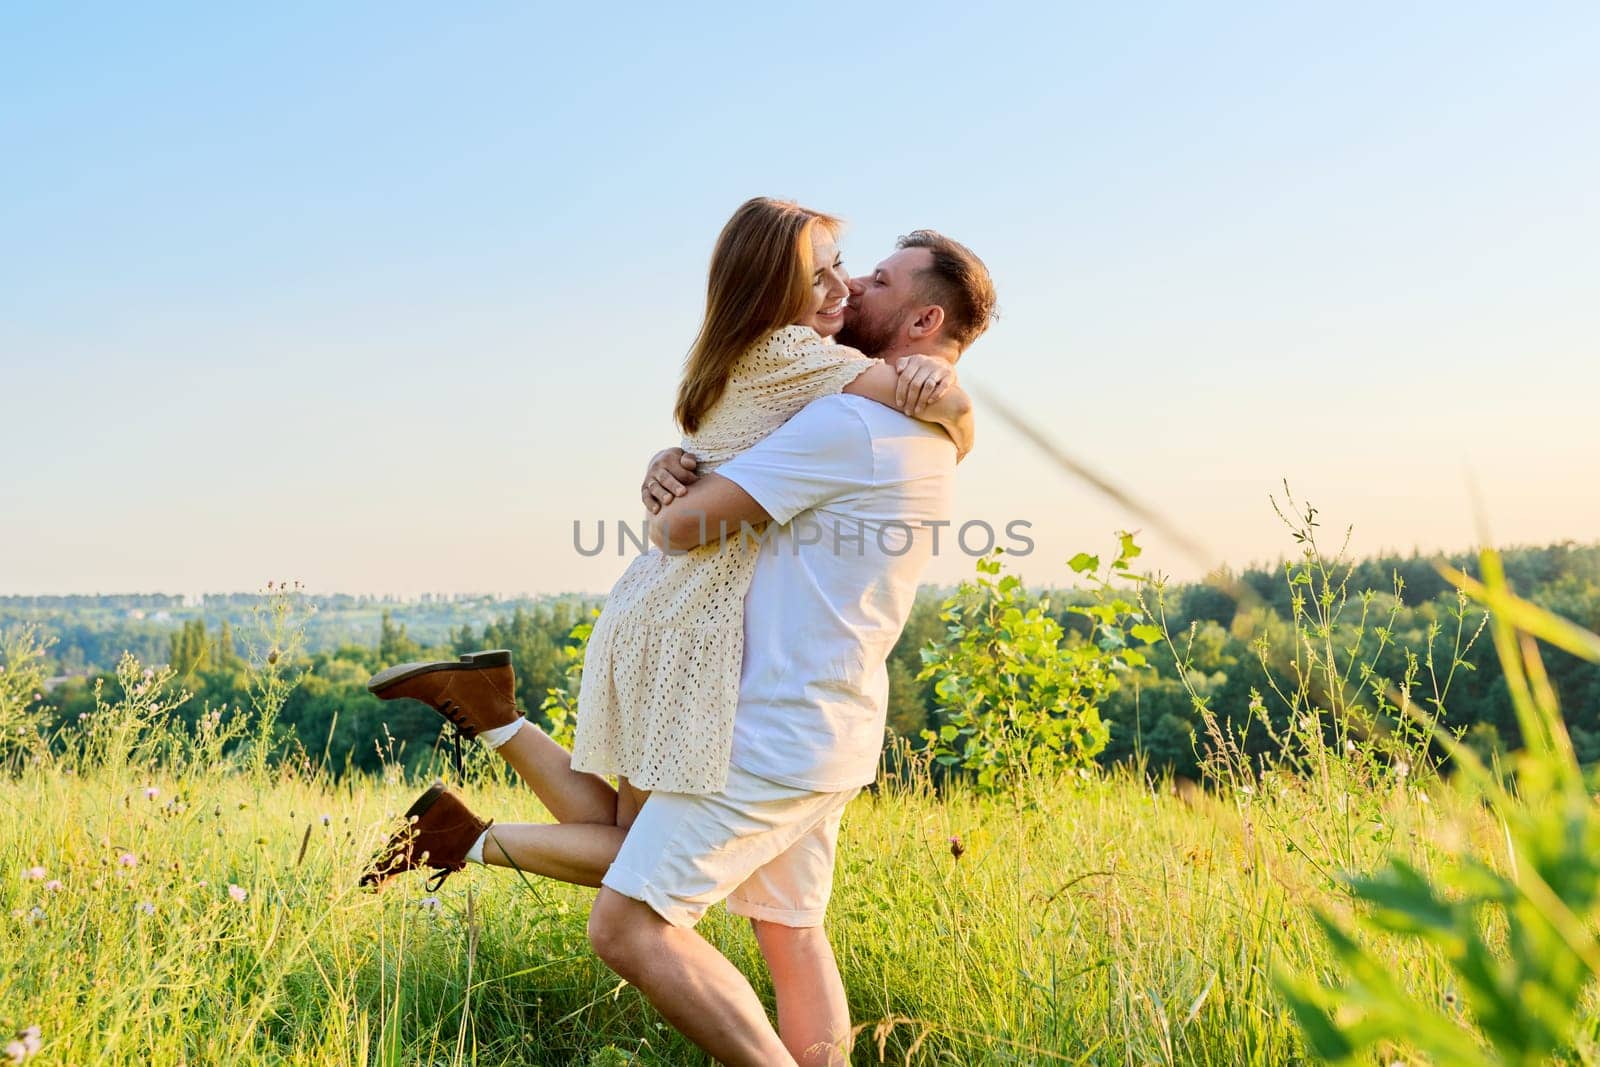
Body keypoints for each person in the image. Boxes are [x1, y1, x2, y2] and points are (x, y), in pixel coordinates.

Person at [362, 226, 998, 1067]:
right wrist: (683, 457)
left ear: (921, 323)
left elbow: (683, 528)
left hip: (769, 732)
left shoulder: (850, 422)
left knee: (629, 924)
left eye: (877, 280)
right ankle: (487, 750)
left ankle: (476, 797)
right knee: (791, 931)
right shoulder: (913, 434)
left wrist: (673, 491)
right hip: (831, 729)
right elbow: (750, 451)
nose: (853, 288)